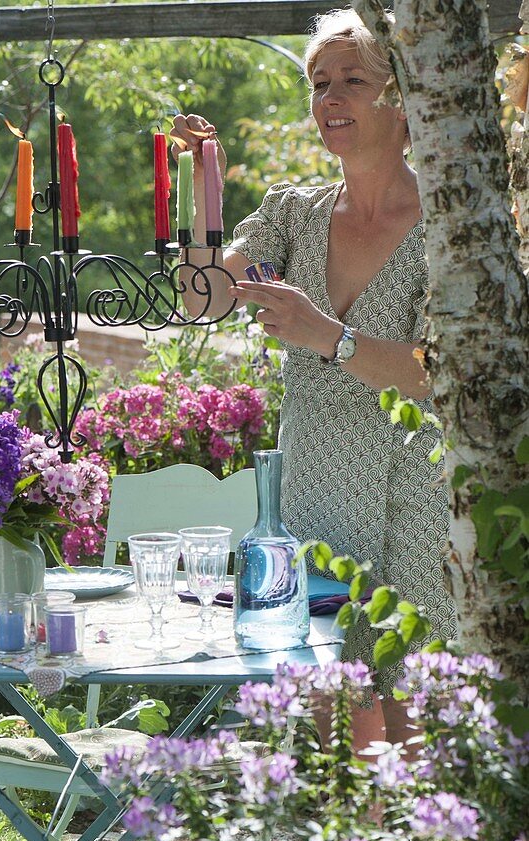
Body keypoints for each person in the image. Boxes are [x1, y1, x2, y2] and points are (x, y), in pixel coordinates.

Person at [170, 7, 457, 750]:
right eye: (318, 82)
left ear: (401, 95)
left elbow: (437, 374)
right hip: (318, 476)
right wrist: (204, 187)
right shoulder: (293, 216)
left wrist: (323, 334)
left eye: (352, 80)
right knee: (324, 686)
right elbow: (200, 298)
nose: (330, 98)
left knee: (410, 694)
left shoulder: (450, 222)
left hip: (419, 484)